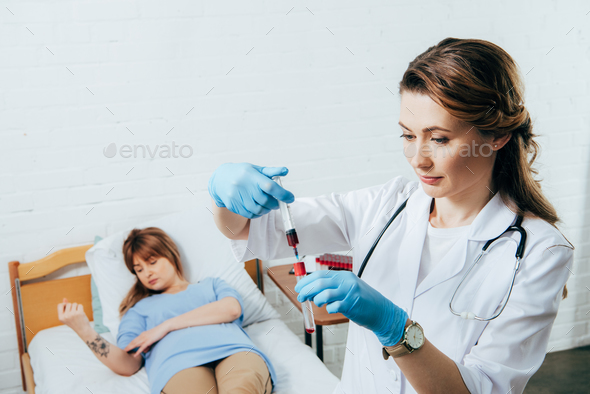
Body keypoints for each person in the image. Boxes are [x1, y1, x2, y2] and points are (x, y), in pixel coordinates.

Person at [207, 37, 574, 394]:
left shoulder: (540, 252)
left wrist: (396, 330)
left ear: (496, 136)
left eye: (440, 139)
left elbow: (480, 389)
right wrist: (224, 196)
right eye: (407, 135)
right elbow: (244, 231)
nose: (418, 158)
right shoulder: (385, 204)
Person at [57, 227, 275, 394]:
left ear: (171, 255)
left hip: (233, 350)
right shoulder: (138, 310)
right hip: (177, 364)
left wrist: (165, 327)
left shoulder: (211, 285)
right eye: (138, 269)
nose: (146, 273)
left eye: (152, 262)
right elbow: (128, 364)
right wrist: (85, 331)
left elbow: (231, 310)